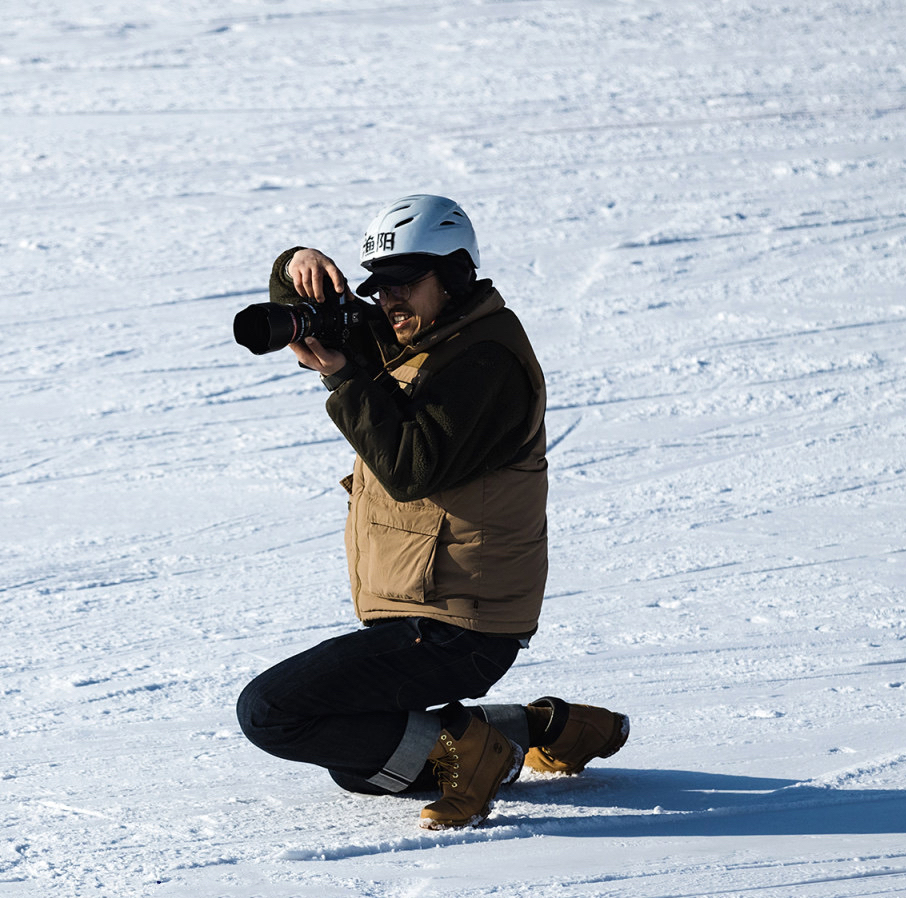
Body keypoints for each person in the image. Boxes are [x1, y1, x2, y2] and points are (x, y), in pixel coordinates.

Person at [236, 196, 629, 830]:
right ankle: (537, 728)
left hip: (462, 626)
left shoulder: (485, 360)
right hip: (422, 610)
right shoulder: (419, 331)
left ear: (453, 275)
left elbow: (411, 467)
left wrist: (344, 380)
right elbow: (314, 311)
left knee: (273, 713)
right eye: (377, 286)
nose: (387, 300)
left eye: (402, 284)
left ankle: (471, 753)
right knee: (358, 757)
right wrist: (297, 266)